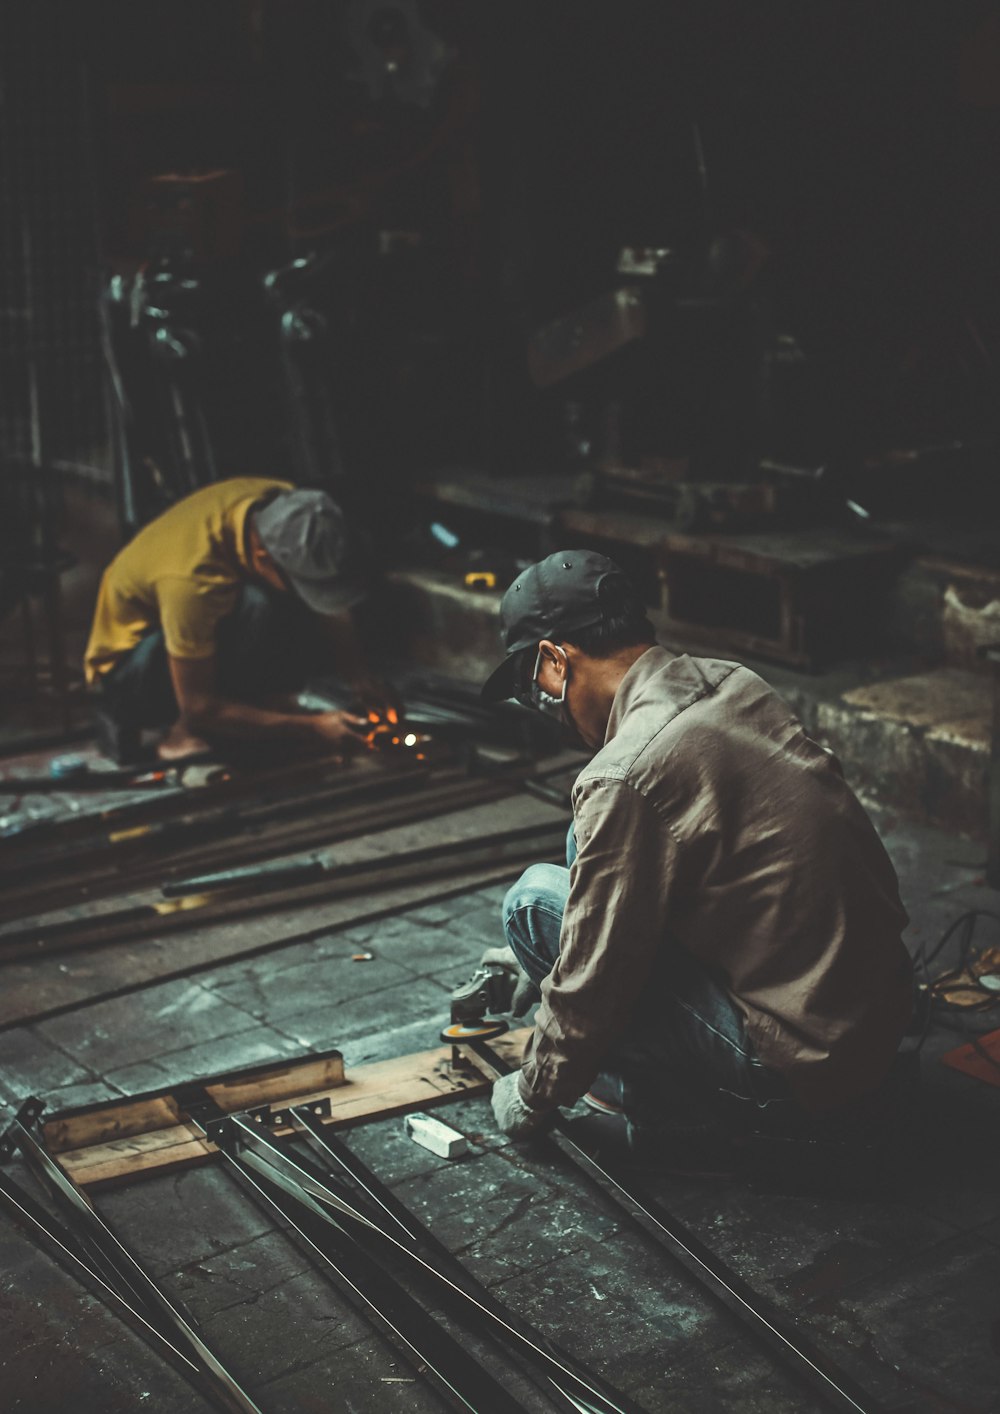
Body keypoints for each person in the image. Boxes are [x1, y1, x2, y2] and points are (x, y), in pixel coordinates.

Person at [480, 549, 913, 1147]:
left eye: (538, 686)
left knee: (531, 904)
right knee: (589, 838)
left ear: (556, 657)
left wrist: (533, 1090)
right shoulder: (733, 684)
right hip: (875, 1032)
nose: (547, 708)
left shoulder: (624, 771)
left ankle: (679, 1120)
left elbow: (595, 981)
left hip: (791, 1073)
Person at [84, 477, 385, 762]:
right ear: (262, 557)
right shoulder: (191, 582)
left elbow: (329, 603)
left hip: (191, 618)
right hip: (130, 669)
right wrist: (310, 726)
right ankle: (181, 735)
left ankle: (257, 711)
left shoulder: (290, 507)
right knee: (259, 603)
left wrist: (358, 676)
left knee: (268, 601)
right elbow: (198, 705)